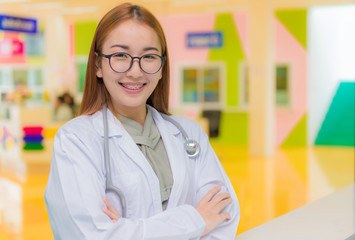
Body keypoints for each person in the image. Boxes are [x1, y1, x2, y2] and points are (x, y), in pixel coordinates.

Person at [44, 3, 240, 239]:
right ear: (98, 65)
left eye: (148, 56)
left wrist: (128, 227)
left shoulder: (189, 134)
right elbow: (91, 235)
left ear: (161, 67)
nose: (135, 71)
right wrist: (196, 221)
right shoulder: (75, 140)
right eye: (120, 55)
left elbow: (224, 213)